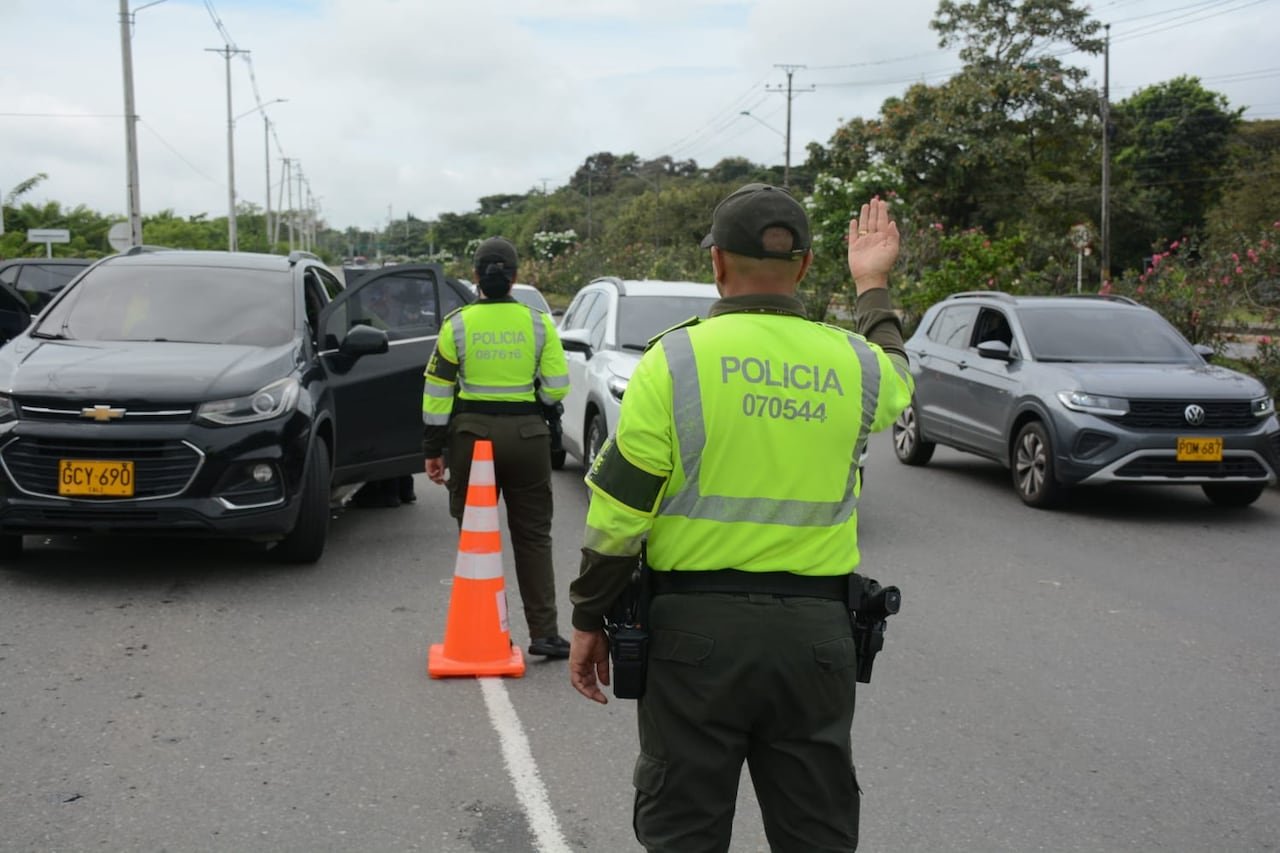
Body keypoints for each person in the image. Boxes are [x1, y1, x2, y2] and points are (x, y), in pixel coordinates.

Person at [567, 184, 914, 851]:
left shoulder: (672, 361)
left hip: (693, 641)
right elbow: (900, 379)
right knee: (817, 833)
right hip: (817, 640)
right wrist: (872, 286)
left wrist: (589, 617)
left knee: (683, 832)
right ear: (808, 266)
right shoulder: (855, 363)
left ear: (718, 263)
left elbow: (619, 515)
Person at [421, 237, 573, 659]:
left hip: (472, 439)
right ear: (515, 277)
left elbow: (437, 394)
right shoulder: (540, 323)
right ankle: (545, 632)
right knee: (533, 536)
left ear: (475, 277)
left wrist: (434, 448)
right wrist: (535, 400)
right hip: (528, 438)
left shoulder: (457, 324)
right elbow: (559, 386)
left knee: (476, 538)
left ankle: (490, 632)